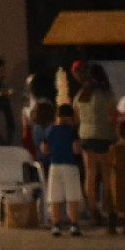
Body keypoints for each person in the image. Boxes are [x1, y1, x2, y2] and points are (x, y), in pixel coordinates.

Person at [74, 64, 117, 218]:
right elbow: (111, 118)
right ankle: (107, 207)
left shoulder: (80, 95)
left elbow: (76, 118)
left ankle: (92, 209)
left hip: (85, 137)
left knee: (90, 175)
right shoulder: (106, 95)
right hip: (104, 136)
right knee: (106, 174)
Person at [40, 101, 84, 237]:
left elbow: (44, 149)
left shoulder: (49, 130)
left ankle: (56, 225)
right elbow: (76, 149)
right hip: (70, 165)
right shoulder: (72, 131)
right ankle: (74, 224)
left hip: (54, 165)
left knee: (55, 197)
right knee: (72, 196)